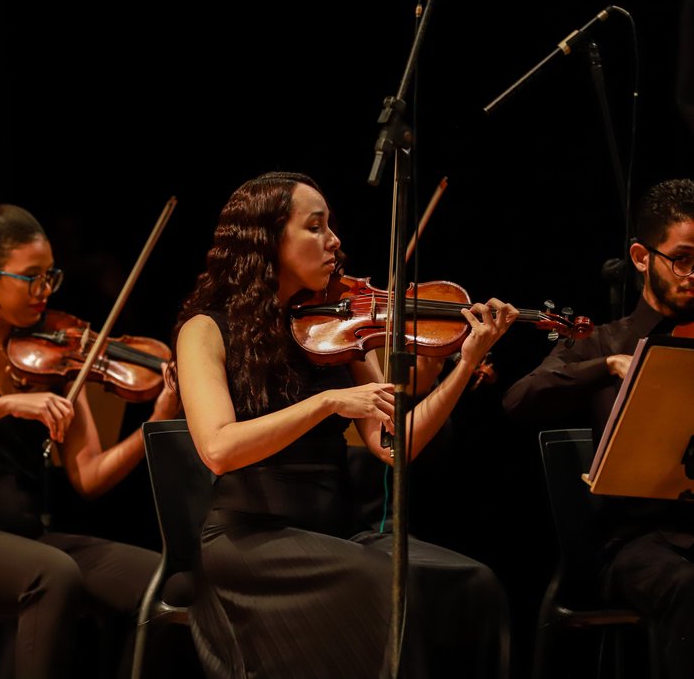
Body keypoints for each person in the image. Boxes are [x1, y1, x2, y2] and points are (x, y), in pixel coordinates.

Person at [171, 171, 519, 679]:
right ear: (267, 239)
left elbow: (396, 445)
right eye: (315, 227)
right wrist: (327, 402)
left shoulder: (336, 327)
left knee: (475, 582)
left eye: (330, 226)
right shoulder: (205, 330)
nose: (334, 240)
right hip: (249, 540)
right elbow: (219, 449)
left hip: (333, 532)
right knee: (385, 587)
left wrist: (465, 365)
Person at [0, 197, 182, 679]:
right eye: (31, 278)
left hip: (24, 537)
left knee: (166, 583)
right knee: (53, 574)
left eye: (50, 276)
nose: (45, 291)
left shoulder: (55, 356)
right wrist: (2, 405)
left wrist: (157, 419)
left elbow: (89, 476)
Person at [503, 177, 694, 679]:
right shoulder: (602, 341)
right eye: (683, 259)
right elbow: (519, 400)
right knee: (686, 587)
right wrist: (606, 366)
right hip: (635, 543)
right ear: (641, 257)